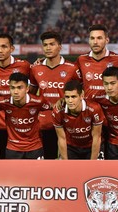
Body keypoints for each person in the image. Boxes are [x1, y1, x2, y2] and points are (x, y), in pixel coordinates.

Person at [29, 31, 79, 159]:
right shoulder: (36, 69)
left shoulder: (71, 68)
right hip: (45, 122)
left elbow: (80, 93)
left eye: (52, 44)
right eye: (45, 45)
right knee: (48, 160)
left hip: (67, 122)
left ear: (60, 46)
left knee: (68, 161)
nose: (48, 48)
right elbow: (31, 96)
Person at [0, 33, 31, 159]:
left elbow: (35, 84)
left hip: (18, 126)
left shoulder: (24, 66)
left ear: (12, 49)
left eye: (4, 46)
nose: (0, 50)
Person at [0, 72, 50, 159]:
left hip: (34, 147)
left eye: (20, 88)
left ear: (27, 89)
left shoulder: (38, 102)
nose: (16, 92)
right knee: (13, 173)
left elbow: (53, 108)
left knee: (37, 173)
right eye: (12, 88)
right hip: (13, 147)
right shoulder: (3, 102)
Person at [73, 24, 118, 100]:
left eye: (99, 38)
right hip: (89, 109)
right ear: (89, 40)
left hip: (111, 108)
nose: (95, 42)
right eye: (92, 38)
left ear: (106, 40)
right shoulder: (81, 59)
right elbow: (72, 81)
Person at [52, 80, 105, 160]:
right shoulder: (58, 111)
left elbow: (96, 137)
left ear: (81, 95)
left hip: (91, 146)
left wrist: (93, 163)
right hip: (71, 147)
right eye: (67, 97)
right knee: (66, 171)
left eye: (73, 97)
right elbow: (61, 138)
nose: (70, 101)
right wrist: (65, 162)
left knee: (96, 170)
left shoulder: (94, 109)